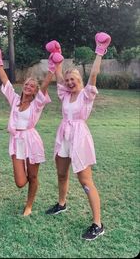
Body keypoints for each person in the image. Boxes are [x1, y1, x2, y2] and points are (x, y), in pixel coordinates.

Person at [45, 32, 111, 241]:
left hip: (79, 137)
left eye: (73, 79)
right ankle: (62, 204)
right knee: (61, 173)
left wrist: (99, 51)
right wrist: (56, 57)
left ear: (80, 80)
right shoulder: (65, 94)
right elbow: (57, 75)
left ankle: (97, 224)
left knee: (85, 180)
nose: (70, 82)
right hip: (64, 135)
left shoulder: (87, 94)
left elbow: (94, 75)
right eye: (67, 80)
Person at [0, 44, 62, 216]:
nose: (29, 87)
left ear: (35, 91)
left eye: (32, 86)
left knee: (33, 177)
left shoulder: (37, 104)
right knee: (21, 181)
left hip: (31, 140)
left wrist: (52, 68)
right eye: (27, 85)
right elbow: (5, 82)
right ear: (24, 87)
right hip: (16, 141)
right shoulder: (14, 100)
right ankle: (30, 181)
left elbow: (44, 86)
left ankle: (29, 204)